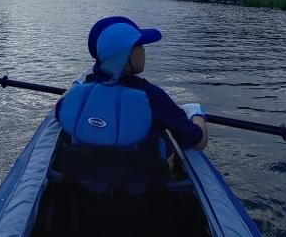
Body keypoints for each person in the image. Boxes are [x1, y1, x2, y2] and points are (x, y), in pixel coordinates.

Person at [55, 16, 208, 161]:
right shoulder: (152, 96)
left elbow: (59, 108)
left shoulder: (78, 95)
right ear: (125, 55)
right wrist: (196, 113)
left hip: (86, 181)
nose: (144, 51)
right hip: (141, 184)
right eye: (139, 46)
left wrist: (75, 88)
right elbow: (198, 142)